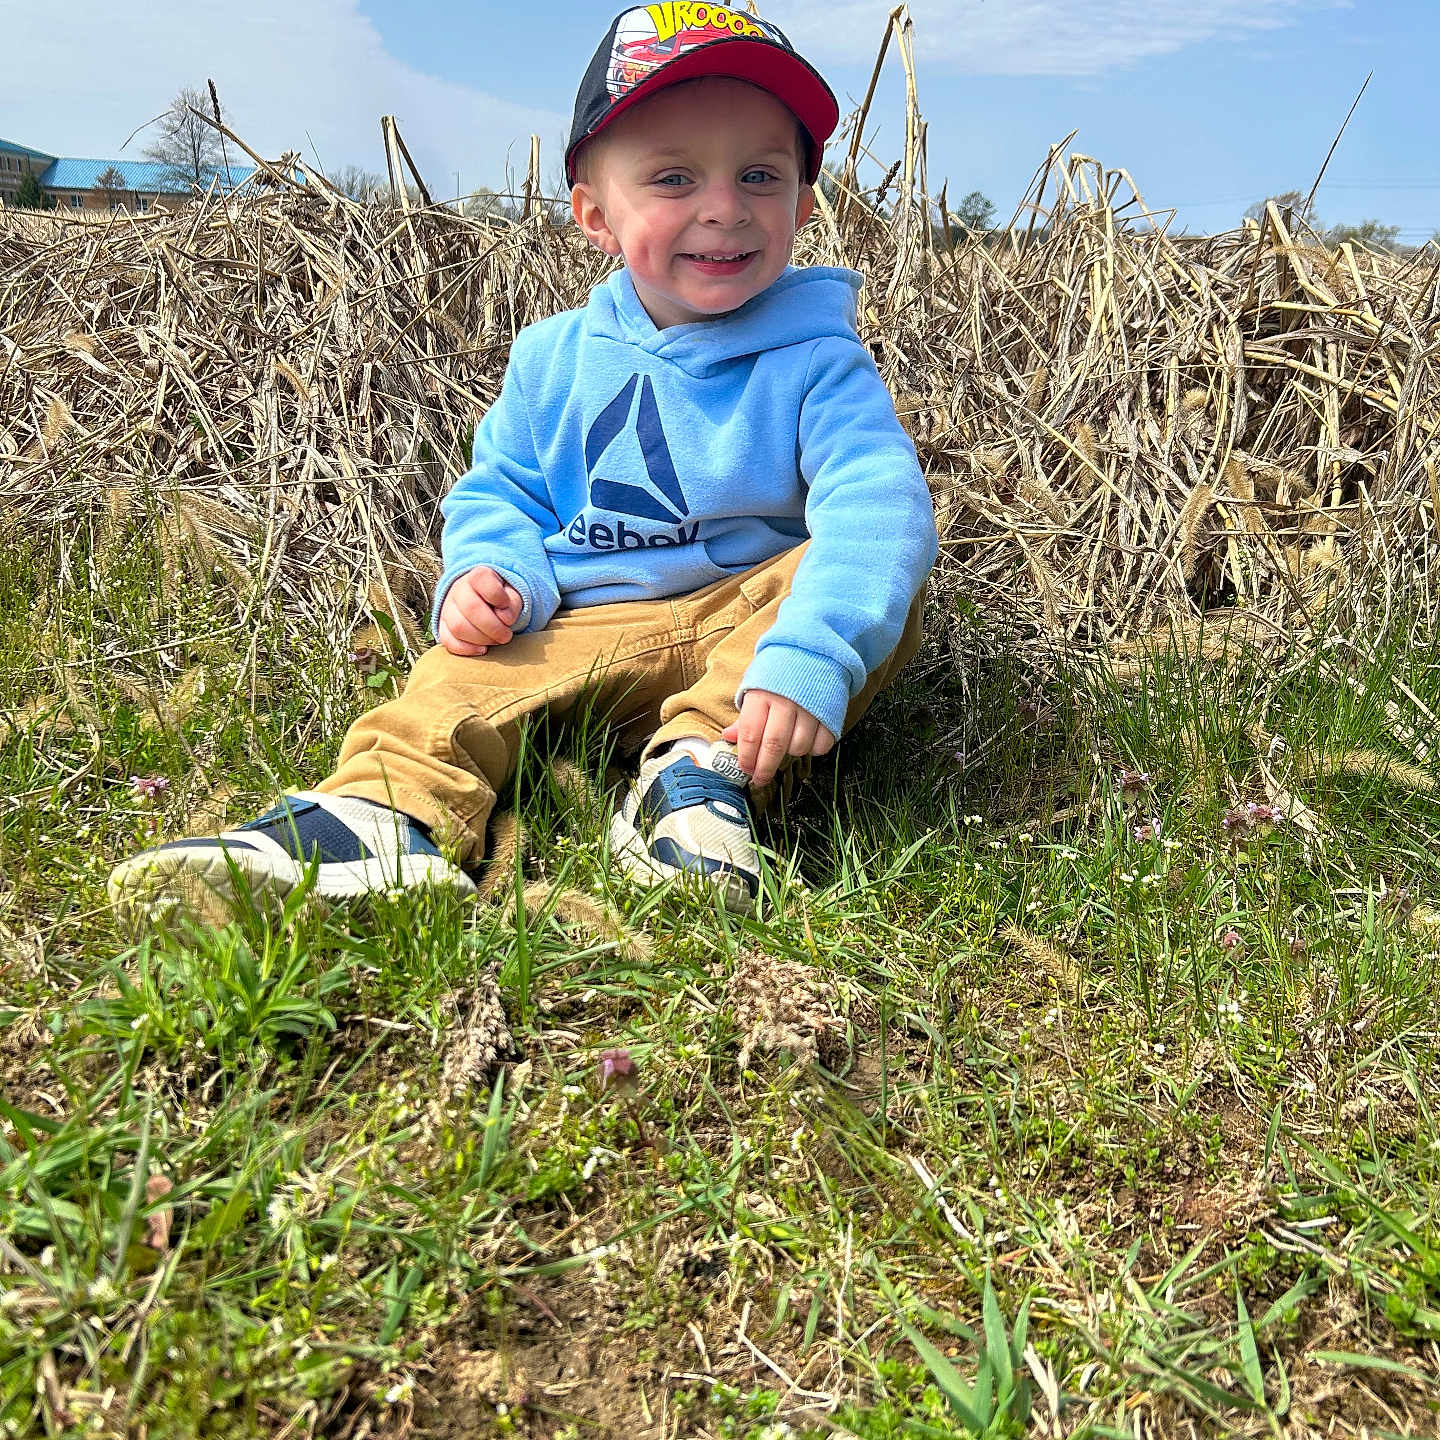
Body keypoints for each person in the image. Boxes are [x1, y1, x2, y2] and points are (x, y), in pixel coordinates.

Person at [107, 3, 938, 926]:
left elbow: (879, 503)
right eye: (673, 178)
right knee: (456, 680)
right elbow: (504, 488)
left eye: (759, 175)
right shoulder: (553, 358)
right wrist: (492, 570)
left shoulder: (818, 358)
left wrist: (808, 655)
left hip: (746, 627)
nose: (724, 207)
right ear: (594, 212)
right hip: (585, 626)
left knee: (869, 596)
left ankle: (699, 781)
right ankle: (380, 816)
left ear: (803, 204)